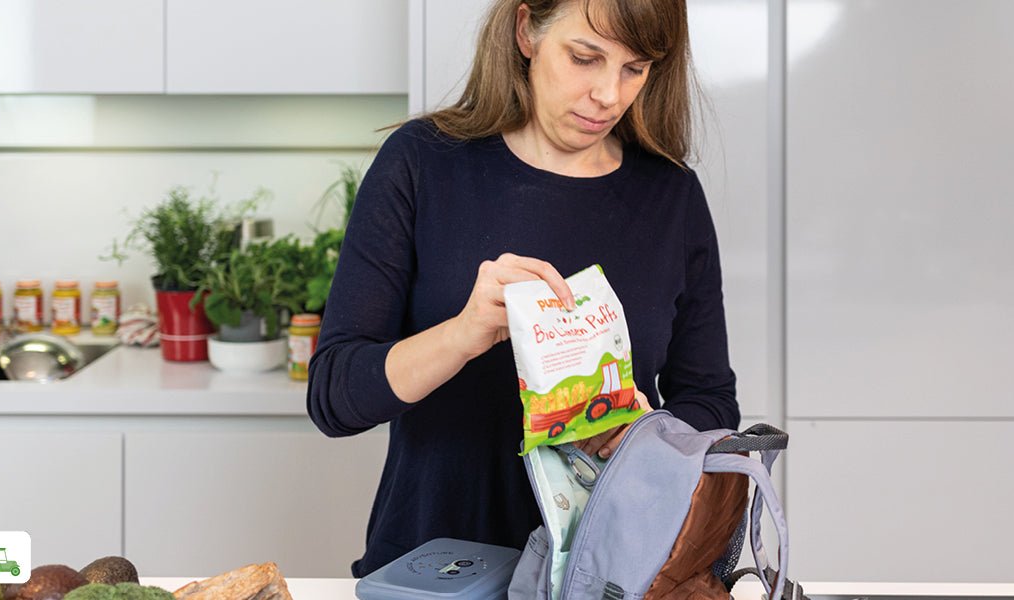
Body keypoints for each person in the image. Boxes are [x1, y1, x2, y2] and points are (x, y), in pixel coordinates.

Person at [307, 0, 739, 578]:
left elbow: (710, 400)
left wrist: (644, 436)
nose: (609, 95)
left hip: (610, 574)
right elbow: (336, 398)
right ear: (526, 32)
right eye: (585, 58)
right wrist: (464, 333)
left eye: (634, 69)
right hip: (432, 570)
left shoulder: (671, 196)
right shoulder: (422, 164)